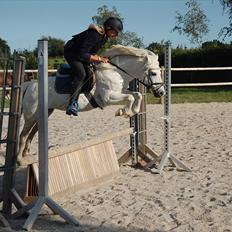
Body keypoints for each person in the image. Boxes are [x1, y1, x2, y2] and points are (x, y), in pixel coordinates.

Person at [64, 17, 123, 116]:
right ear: (108, 28)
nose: (115, 35)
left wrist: (101, 59)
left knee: (93, 71)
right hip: (72, 53)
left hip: (81, 54)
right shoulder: (95, 34)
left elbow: (92, 52)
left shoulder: (104, 37)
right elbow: (83, 54)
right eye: (114, 32)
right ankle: (72, 103)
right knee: (81, 74)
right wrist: (99, 59)